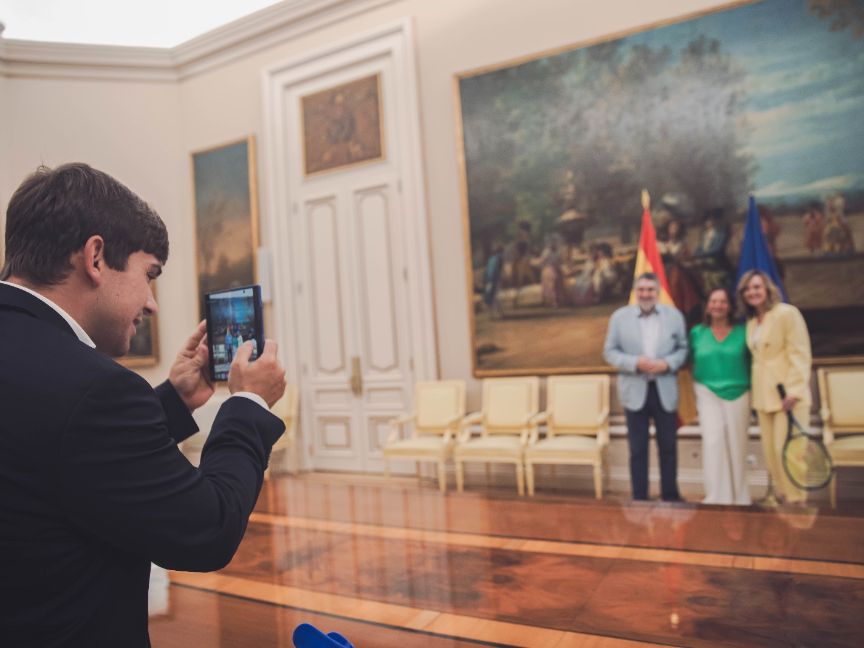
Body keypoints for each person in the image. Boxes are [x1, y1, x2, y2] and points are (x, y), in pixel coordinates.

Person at [0, 163, 288, 647]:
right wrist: (250, 404)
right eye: (148, 275)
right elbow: (206, 530)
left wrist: (174, 402)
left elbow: (53, 447)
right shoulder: (96, 388)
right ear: (95, 258)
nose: (152, 303)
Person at [603, 272, 688, 501]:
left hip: (665, 390)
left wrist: (667, 364)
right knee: (638, 449)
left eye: (650, 289)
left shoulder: (674, 316)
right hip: (635, 391)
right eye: (641, 289)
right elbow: (609, 352)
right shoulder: (619, 317)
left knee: (668, 448)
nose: (646, 294)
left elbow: (683, 349)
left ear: (658, 292)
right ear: (635, 291)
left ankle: (670, 495)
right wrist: (634, 363)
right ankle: (639, 497)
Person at [738, 269, 811, 505]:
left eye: (757, 287)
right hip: (763, 398)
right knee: (771, 455)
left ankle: (798, 504)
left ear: (767, 289)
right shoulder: (751, 323)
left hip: (788, 397)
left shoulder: (787, 313)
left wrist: (795, 390)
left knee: (789, 454)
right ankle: (783, 504)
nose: (753, 292)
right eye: (748, 289)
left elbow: (800, 354)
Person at [690, 288, 752, 505]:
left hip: (739, 392)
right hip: (707, 392)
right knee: (713, 442)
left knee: (737, 444)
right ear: (707, 306)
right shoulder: (697, 332)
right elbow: (689, 361)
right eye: (713, 301)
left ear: (730, 306)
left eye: (723, 301)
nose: (717, 305)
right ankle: (716, 497)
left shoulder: (744, 332)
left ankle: (740, 497)